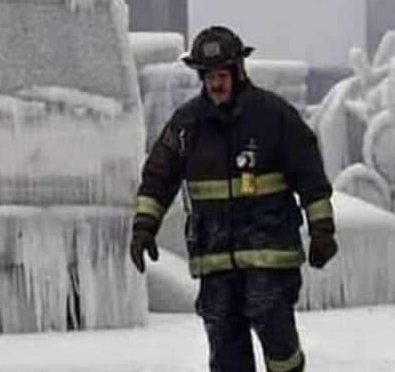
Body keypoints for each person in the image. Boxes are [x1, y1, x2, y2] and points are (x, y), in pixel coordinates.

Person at [130, 26, 337, 372]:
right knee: (225, 348)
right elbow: (158, 177)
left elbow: (310, 176)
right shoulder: (186, 125)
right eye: (209, 76)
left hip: (270, 254)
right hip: (215, 260)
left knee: (272, 322)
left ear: (239, 70)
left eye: (222, 74)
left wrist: (322, 230)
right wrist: (143, 228)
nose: (216, 84)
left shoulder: (275, 117)